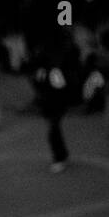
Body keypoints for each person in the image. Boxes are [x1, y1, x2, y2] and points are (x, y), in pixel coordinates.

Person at [33, 41, 75, 172]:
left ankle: (59, 158)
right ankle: (63, 155)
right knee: (54, 132)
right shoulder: (43, 71)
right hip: (49, 106)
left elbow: (60, 89)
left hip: (55, 106)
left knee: (53, 133)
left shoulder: (52, 71)